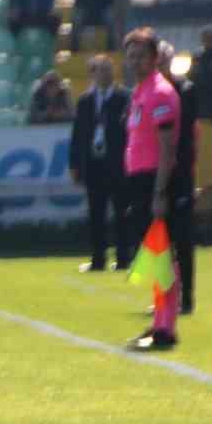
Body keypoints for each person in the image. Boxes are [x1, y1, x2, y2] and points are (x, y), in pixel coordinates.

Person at [119, 26, 182, 351]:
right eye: (131, 56)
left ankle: (166, 327)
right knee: (154, 257)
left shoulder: (159, 92)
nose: (135, 62)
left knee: (162, 256)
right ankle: (160, 321)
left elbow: (167, 146)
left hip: (153, 180)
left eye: (141, 56)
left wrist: (160, 192)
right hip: (140, 180)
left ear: (155, 58)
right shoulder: (141, 91)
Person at [68, 55, 128, 273]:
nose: (105, 73)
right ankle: (98, 259)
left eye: (108, 69)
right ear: (91, 74)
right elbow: (77, 136)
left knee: (121, 213)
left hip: (118, 163)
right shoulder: (84, 101)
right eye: (100, 70)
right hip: (94, 164)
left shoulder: (123, 98)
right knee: (96, 213)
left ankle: (123, 258)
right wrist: (74, 164)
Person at [155, 40, 198, 318]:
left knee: (182, 239)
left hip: (179, 173)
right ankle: (164, 297)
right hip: (155, 173)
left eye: (162, 59)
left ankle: (187, 297)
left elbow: (184, 136)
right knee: (160, 241)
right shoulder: (150, 92)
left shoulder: (185, 91)